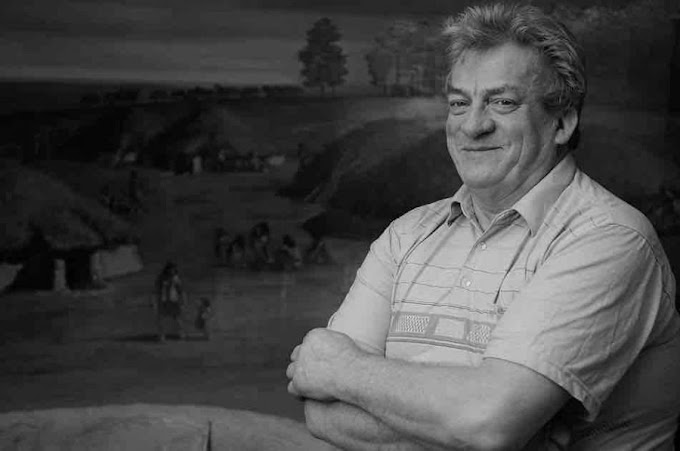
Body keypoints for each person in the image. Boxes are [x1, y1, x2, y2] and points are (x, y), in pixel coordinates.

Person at [286, 4, 680, 450]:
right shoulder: (405, 236)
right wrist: (499, 429)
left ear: (562, 122)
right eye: (459, 103)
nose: (472, 125)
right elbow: (322, 412)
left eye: (502, 102)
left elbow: (487, 423)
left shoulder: (609, 239)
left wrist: (340, 368)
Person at [154, 261, 186, 341]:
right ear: (167, 269)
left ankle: (181, 333)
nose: (172, 271)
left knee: (177, 318)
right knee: (161, 319)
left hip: (173, 301)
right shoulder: (161, 277)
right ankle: (161, 335)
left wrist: (183, 300)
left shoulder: (176, 278)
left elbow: (180, 290)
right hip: (163, 301)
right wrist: (155, 300)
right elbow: (157, 289)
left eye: (174, 269)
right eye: (171, 269)